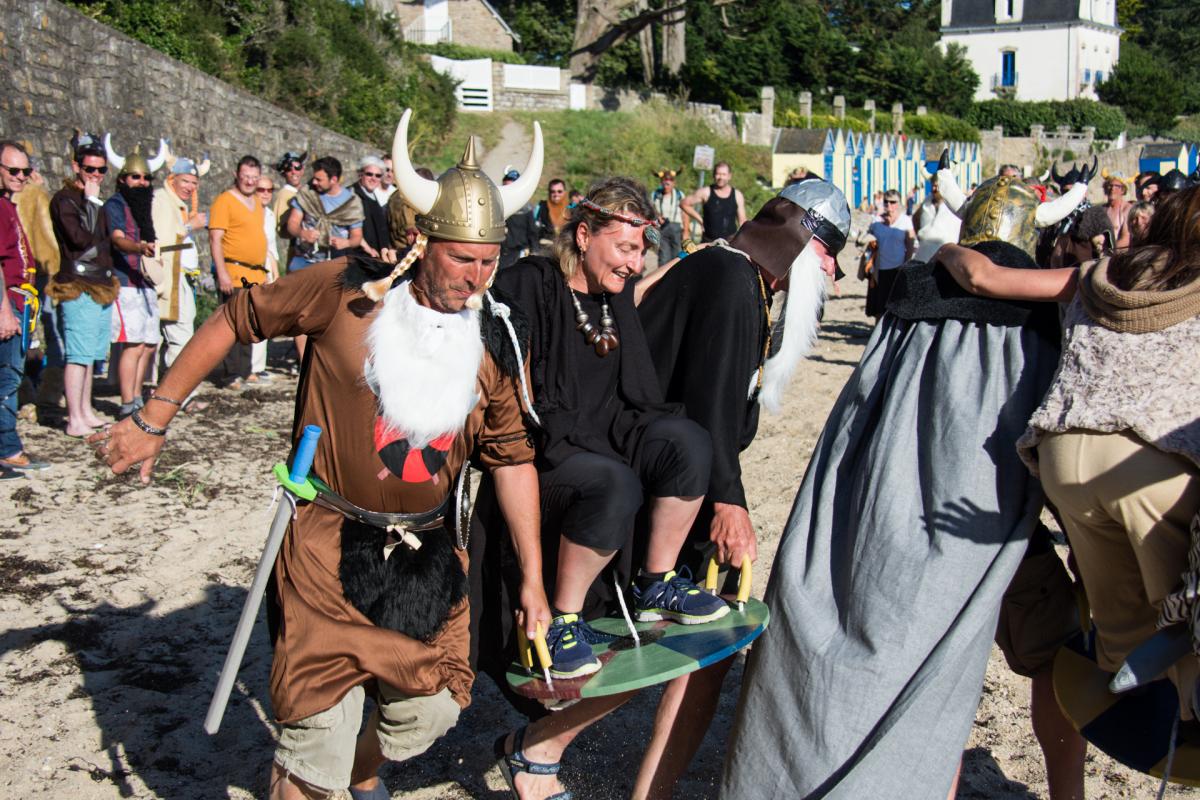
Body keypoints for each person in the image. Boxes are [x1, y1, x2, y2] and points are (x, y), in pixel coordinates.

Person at [90, 109, 552, 800]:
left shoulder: (494, 337)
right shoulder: (343, 293)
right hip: (325, 550)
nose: (477, 278)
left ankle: (360, 768)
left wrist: (534, 581)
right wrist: (154, 417)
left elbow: (512, 460)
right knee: (314, 753)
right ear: (423, 242)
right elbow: (236, 317)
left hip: (427, 560)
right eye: (462, 258)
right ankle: (316, 774)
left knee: (431, 709)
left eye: (489, 261)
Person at [721, 161, 1091, 800]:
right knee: (1044, 659)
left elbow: (863, 407)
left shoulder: (916, 295)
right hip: (1000, 518)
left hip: (897, 510)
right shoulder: (1044, 310)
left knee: (926, 665)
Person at [472, 177, 730, 800]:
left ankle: (655, 583)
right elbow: (485, 339)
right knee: (613, 482)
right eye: (625, 247)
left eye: (641, 251)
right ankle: (563, 622)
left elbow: (636, 390)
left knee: (690, 441)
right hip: (543, 454)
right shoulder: (533, 281)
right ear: (584, 235)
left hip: (607, 437)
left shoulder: (614, 301)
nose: (634, 262)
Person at [945, 183, 1200, 730]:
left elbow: (984, 277)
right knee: (1187, 619)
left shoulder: (1101, 274)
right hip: (1154, 468)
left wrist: (946, 249)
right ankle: (1187, 717)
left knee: (1123, 629)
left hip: (1066, 458)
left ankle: (1138, 700)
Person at [634, 177, 850, 799]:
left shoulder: (738, 274)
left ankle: (652, 791)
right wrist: (730, 502)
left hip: (683, 475)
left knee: (714, 638)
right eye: (828, 254)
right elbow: (705, 408)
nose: (833, 274)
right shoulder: (731, 278)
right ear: (799, 240)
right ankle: (539, 753)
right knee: (677, 636)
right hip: (657, 484)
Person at [48, 132, 119, 437]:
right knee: (78, 354)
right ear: (77, 167)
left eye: (101, 170)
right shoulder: (64, 200)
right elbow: (80, 240)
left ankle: (85, 410)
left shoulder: (94, 200)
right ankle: (74, 417)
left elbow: (105, 240)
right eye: (90, 169)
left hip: (100, 282)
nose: (96, 175)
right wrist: (90, 202)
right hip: (77, 284)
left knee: (90, 353)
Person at [103, 140, 164, 418]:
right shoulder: (115, 204)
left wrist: (154, 259)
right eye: (135, 177)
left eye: (146, 178)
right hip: (125, 282)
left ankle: (137, 397)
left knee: (149, 344)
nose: (141, 182)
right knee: (133, 344)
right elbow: (118, 239)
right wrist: (139, 247)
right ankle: (127, 402)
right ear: (123, 179)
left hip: (145, 282)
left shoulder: (144, 206)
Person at [0, 140, 50, 476]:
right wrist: (4, 310)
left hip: (19, 301)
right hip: (8, 302)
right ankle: (8, 450)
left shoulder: (8, 204)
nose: (21, 176)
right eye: (13, 170)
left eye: (25, 170)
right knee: (7, 379)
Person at [209, 155, 268, 389]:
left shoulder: (257, 202)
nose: (250, 181)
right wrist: (222, 272)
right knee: (232, 324)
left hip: (255, 275)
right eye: (246, 176)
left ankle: (245, 369)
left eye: (254, 177)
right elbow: (215, 239)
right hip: (233, 271)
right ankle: (230, 373)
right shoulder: (224, 201)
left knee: (250, 324)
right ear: (237, 175)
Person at [151, 155, 208, 380]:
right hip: (169, 277)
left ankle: (168, 386)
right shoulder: (161, 200)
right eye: (185, 181)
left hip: (182, 277)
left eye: (194, 182)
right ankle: (174, 388)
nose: (190, 187)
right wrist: (189, 226)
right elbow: (162, 241)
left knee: (179, 335)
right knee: (176, 336)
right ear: (172, 179)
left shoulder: (178, 204)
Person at [286, 156, 363, 273]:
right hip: (304, 260)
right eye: (314, 178)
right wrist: (302, 233)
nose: (314, 182)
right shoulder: (307, 194)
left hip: (335, 264)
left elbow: (357, 236)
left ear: (333, 179)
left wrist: (346, 242)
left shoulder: (352, 203)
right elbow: (292, 223)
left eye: (319, 179)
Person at [857, 188, 915, 318]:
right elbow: (865, 242)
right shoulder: (876, 221)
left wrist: (905, 266)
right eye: (886, 201)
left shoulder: (905, 221)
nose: (889, 204)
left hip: (898, 269)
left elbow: (910, 246)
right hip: (879, 271)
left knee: (897, 309)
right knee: (879, 310)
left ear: (899, 204)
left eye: (892, 202)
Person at [248, 175, 280, 383]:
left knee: (264, 319)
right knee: (250, 317)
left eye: (269, 190)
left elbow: (271, 246)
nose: (266, 194)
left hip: (267, 266)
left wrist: (275, 270)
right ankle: (247, 367)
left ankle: (258, 367)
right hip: (252, 268)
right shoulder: (250, 212)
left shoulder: (269, 214)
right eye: (261, 190)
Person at [682, 162, 746, 243]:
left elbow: (742, 221)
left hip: (729, 242)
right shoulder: (705, 192)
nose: (720, 177)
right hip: (708, 241)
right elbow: (684, 204)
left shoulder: (737, 195)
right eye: (718, 174)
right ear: (714, 175)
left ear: (729, 176)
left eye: (724, 174)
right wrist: (700, 220)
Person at [912, 174, 961, 262]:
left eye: (936, 186)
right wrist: (921, 237)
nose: (933, 189)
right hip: (924, 253)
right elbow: (915, 218)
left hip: (946, 255)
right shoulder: (926, 202)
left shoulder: (955, 204)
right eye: (932, 186)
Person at [272, 150, 306, 269]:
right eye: (288, 169)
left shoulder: (305, 192)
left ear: (302, 169)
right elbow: (283, 230)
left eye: (297, 167)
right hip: (299, 250)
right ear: (283, 173)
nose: (293, 172)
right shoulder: (285, 195)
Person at [498, 167, 537, 270]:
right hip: (499, 255)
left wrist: (534, 253)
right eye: (506, 187)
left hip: (519, 255)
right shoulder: (496, 208)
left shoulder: (526, 210)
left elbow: (532, 233)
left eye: (511, 188)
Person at [351, 156, 390, 257]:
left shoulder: (373, 196)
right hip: (358, 256)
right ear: (360, 174)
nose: (373, 178)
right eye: (369, 174)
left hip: (374, 256)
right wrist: (367, 249)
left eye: (378, 175)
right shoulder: (351, 195)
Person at [650, 168, 685, 263]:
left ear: (674, 183)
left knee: (677, 256)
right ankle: (663, 272)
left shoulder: (679, 195)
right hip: (662, 227)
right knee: (663, 256)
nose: (666, 186)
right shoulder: (656, 194)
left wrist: (686, 231)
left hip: (676, 227)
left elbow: (684, 213)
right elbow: (651, 209)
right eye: (664, 184)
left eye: (668, 184)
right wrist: (658, 216)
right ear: (661, 183)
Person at [533, 178, 569, 254]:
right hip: (545, 249)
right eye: (553, 191)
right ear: (549, 193)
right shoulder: (541, 207)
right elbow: (532, 229)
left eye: (559, 191)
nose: (556, 194)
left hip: (565, 249)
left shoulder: (571, 209)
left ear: (565, 192)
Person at [1101, 173, 1133, 249]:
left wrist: (1108, 250)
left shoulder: (1127, 209)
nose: (1112, 189)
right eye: (1110, 185)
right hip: (1099, 252)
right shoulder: (1101, 210)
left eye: (1117, 186)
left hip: (1119, 253)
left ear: (1123, 190)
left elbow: (1126, 239)